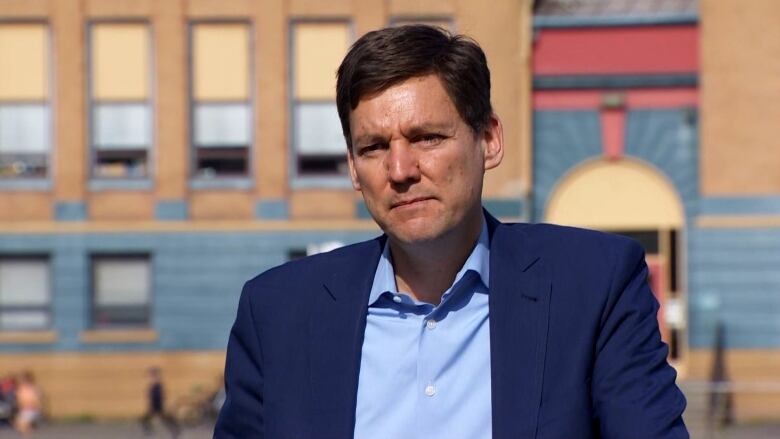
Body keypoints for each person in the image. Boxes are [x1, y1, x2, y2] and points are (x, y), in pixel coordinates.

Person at [215, 25, 688, 438]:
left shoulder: (593, 288)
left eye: (427, 138)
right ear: (354, 170)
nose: (400, 169)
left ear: (489, 140)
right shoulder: (278, 314)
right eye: (374, 147)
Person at [140, 367, 180, 438]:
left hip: (157, 406)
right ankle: (174, 429)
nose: (150, 375)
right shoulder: (154, 384)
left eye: (151, 373)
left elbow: (159, 396)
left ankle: (175, 429)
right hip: (155, 406)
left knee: (164, 419)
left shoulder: (158, 384)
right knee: (147, 419)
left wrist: (157, 404)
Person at [13, 371, 42, 436]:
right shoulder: (20, 389)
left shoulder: (33, 389)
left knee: (24, 425)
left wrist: (33, 405)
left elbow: (36, 401)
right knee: (21, 426)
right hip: (24, 411)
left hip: (32, 410)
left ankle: (31, 429)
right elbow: (19, 401)